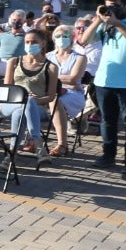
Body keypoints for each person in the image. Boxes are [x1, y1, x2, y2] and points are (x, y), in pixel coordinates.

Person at [75, 0, 126, 172]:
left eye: (115, 5)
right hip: (104, 80)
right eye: (108, 5)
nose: (111, 9)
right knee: (107, 121)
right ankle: (108, 155)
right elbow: (83, 41)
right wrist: (97, 19)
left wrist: (117, 24)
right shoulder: (105, 23)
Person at [1, 27, 60, 161]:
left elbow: (51, 96)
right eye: (27, 42)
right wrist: (23, 98)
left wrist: (35, 100)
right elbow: (6, 89)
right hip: (11, 103)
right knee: (23, 104)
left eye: (34, 42)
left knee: (22, 109)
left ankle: (12, 153)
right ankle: (38, 143)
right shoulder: (14, 61)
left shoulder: (51, 67)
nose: (30, 45)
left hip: (37, 106)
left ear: (43, 43)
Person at [47, 24, 87, 154]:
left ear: (71, 37)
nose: (61, 38)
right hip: (49, 91)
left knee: (55, 101)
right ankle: (32, 140)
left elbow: (73, 79)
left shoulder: (80, 57)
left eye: (65, 35)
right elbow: (40, 77)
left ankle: (62, 144)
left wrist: (51, 77)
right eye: (58, 36)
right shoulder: (48, 56)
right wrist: (59, 80)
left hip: (73, 93)